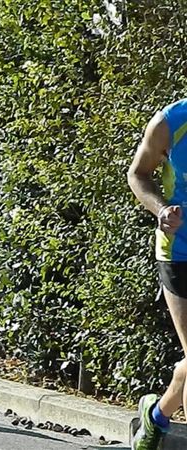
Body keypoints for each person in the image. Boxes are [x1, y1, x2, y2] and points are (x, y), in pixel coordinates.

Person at [127, 97, 187, 449]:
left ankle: (156, 418)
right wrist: (161, 209)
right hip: (179, 251)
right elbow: (137, 174)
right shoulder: (170, 121)